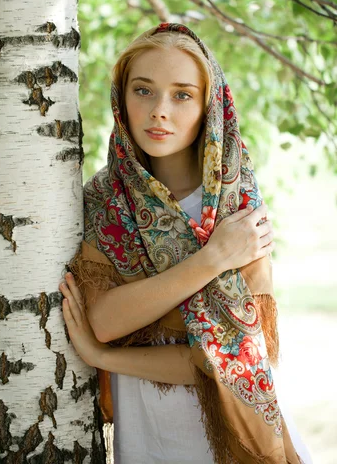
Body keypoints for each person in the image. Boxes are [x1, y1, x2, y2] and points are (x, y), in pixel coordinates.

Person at [59, 23, 312, 464]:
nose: (160, 111)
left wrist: (103, 357)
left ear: (208, 105)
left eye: (181, 94)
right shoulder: (104, 201)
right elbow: (103, 319)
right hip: (148, 441)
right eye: (143, 91)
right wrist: (214, 258)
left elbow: (240, 354)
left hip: (237, 439)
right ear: (121, 99)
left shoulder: (238, 205)